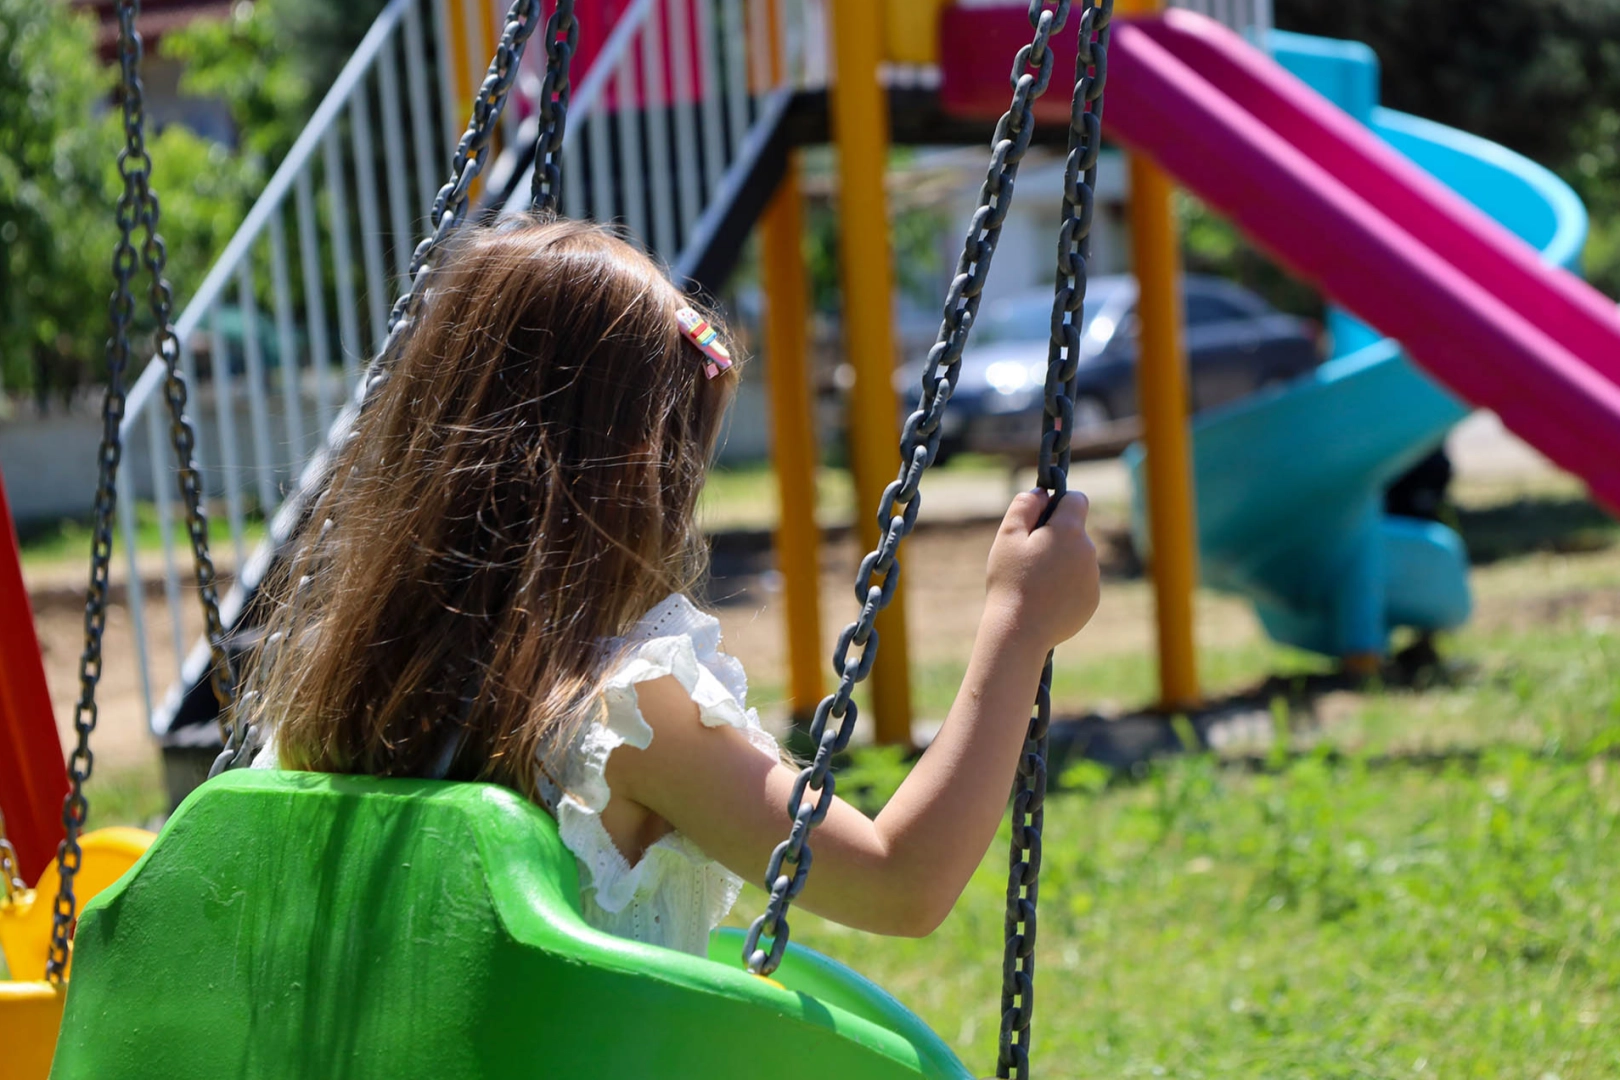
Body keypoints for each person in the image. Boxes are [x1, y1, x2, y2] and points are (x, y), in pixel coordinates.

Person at [251, 217, 1101, 957]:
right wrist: (1017, 625)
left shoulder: (335, 689)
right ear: (629, 474)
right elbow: (899, 884)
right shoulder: (623, 717)